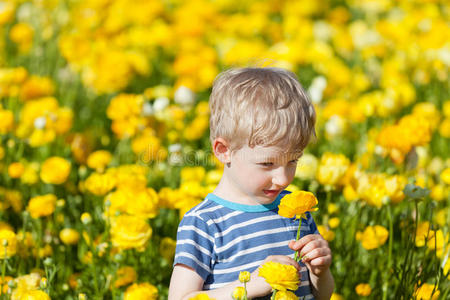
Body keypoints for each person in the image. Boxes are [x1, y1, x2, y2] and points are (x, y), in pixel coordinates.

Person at [169, 67, 334, 300]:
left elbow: (321, 295)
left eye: (293, 161)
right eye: (267, 163)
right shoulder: (204, 223)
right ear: (224, 151)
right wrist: (249, 286)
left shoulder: (296, 210)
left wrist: (320, 272)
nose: (283, 178)